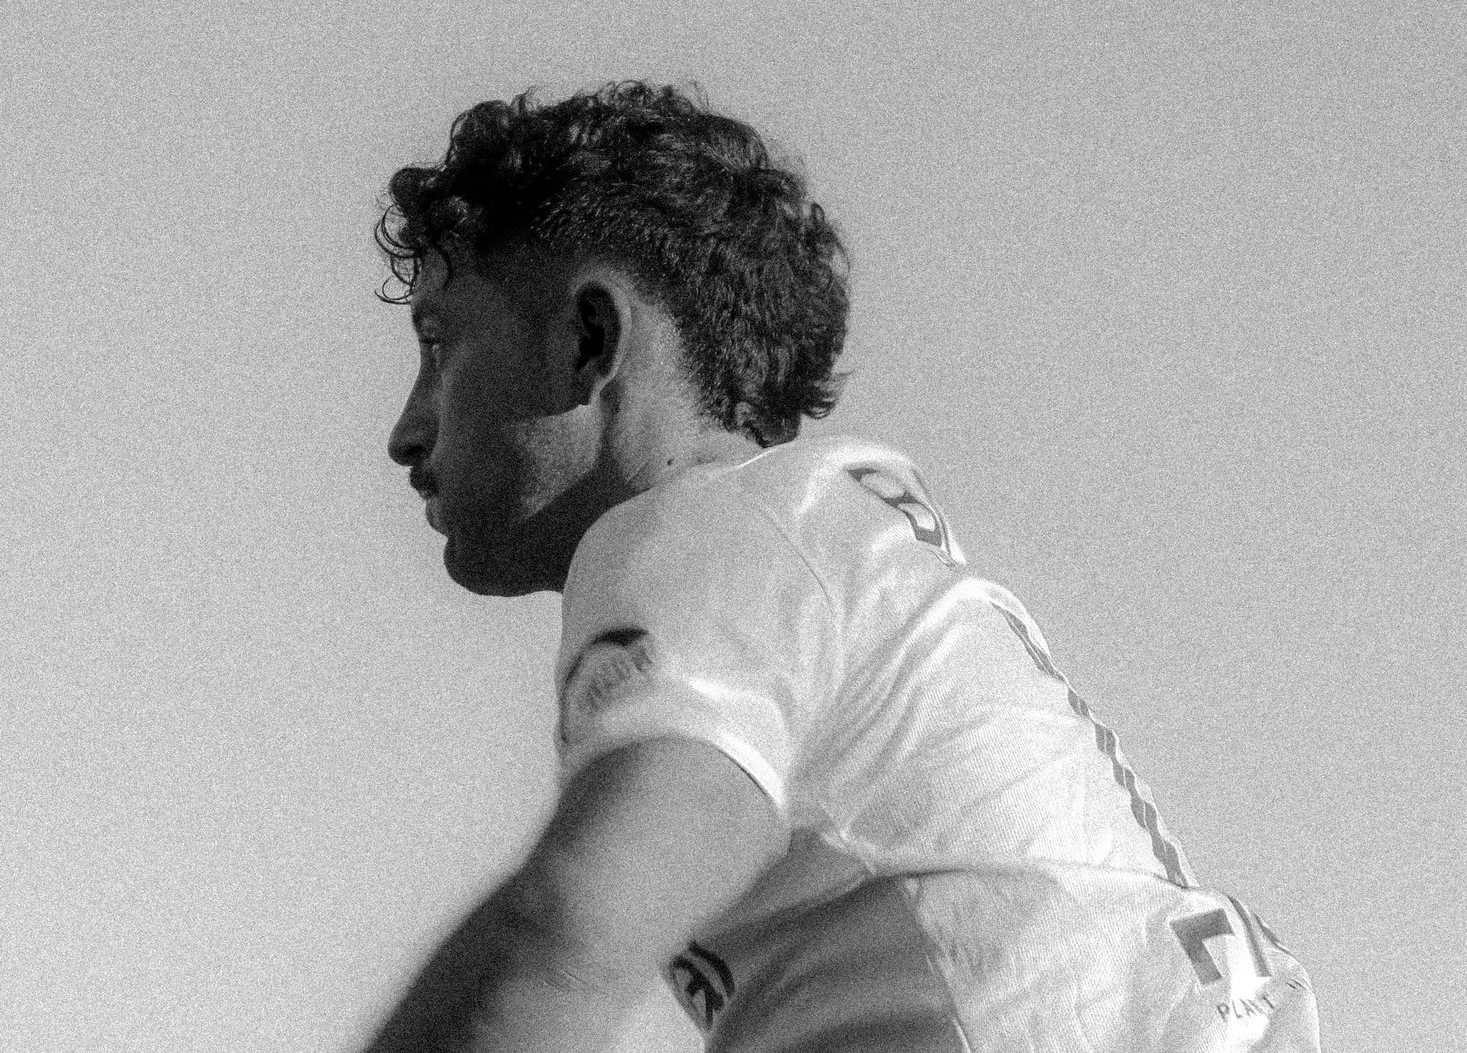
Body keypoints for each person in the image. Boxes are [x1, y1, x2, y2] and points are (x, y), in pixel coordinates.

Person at [361, 83, 1318, 1053]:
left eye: (440, 343)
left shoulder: (700, 528)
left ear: (591, 338)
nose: (407, 426)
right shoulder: (831, 543)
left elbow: (567, 932)